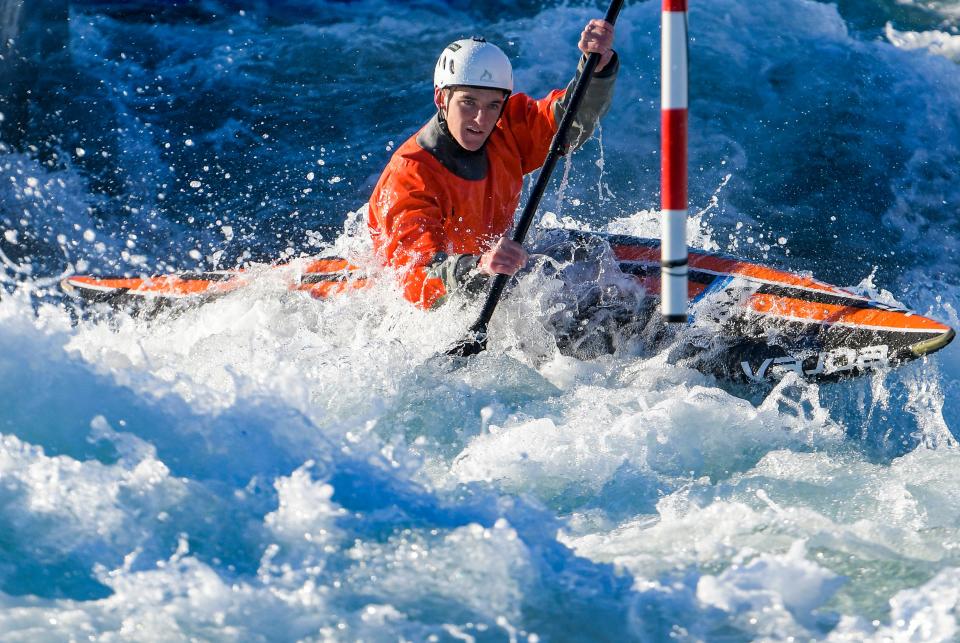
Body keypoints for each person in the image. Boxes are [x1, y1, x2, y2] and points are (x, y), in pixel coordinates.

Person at [367, 19, 618, 309]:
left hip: (494, 273)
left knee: (589, 253)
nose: (481, 120)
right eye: (468, 103)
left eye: (492, 106)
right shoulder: (410, 175)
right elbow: (416, 275)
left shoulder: (506, 129)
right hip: (440, 301)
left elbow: (568, 122)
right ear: (441, 98)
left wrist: (595, 69)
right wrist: (479, 267)